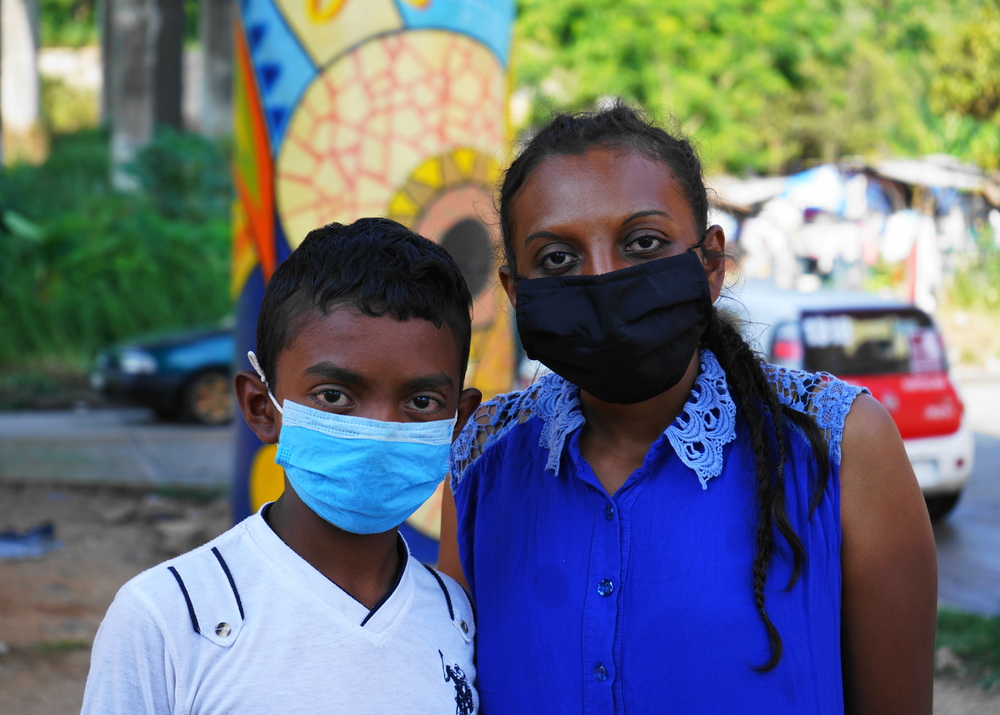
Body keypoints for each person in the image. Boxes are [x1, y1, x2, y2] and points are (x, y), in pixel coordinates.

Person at [438, 104, 937, 714]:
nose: (602, 280)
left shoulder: (842, 445)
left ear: (710, 263)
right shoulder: (482, 460)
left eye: (643, 243)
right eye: (558, 260)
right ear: (516, 292)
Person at [82, 218, 483, 715]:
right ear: (261, 408)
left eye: (421, 401)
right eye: (334, 395)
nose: (380, 430)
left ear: (459, 422)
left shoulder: (456, 617)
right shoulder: (169, 617)